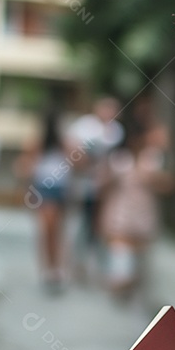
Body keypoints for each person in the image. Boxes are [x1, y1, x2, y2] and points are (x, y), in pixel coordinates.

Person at [98, 94, 173, 301]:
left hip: (144, 220)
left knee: (140, 276)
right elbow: (103, 188)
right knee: (121, 275)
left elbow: (169, 185)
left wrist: (153, 178)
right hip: (119, 219)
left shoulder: (152, 159)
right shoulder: (118, 159)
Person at [66, 96, 124, 285]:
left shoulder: (116, 132)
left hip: (105, 188)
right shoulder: (84, 126)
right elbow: (73, 152)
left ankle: (98, 267)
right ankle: (78, 264)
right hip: (84, 185)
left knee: (100, 227)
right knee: (81, 224)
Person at [16, 110, 73, 295]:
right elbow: (24, 167)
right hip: (44, 189)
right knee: (47, 229)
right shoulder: (37, 144)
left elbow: (77, 163)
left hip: (59, 189)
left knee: (56, 230)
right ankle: (49, 268)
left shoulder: (64, 144)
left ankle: (55, 267)